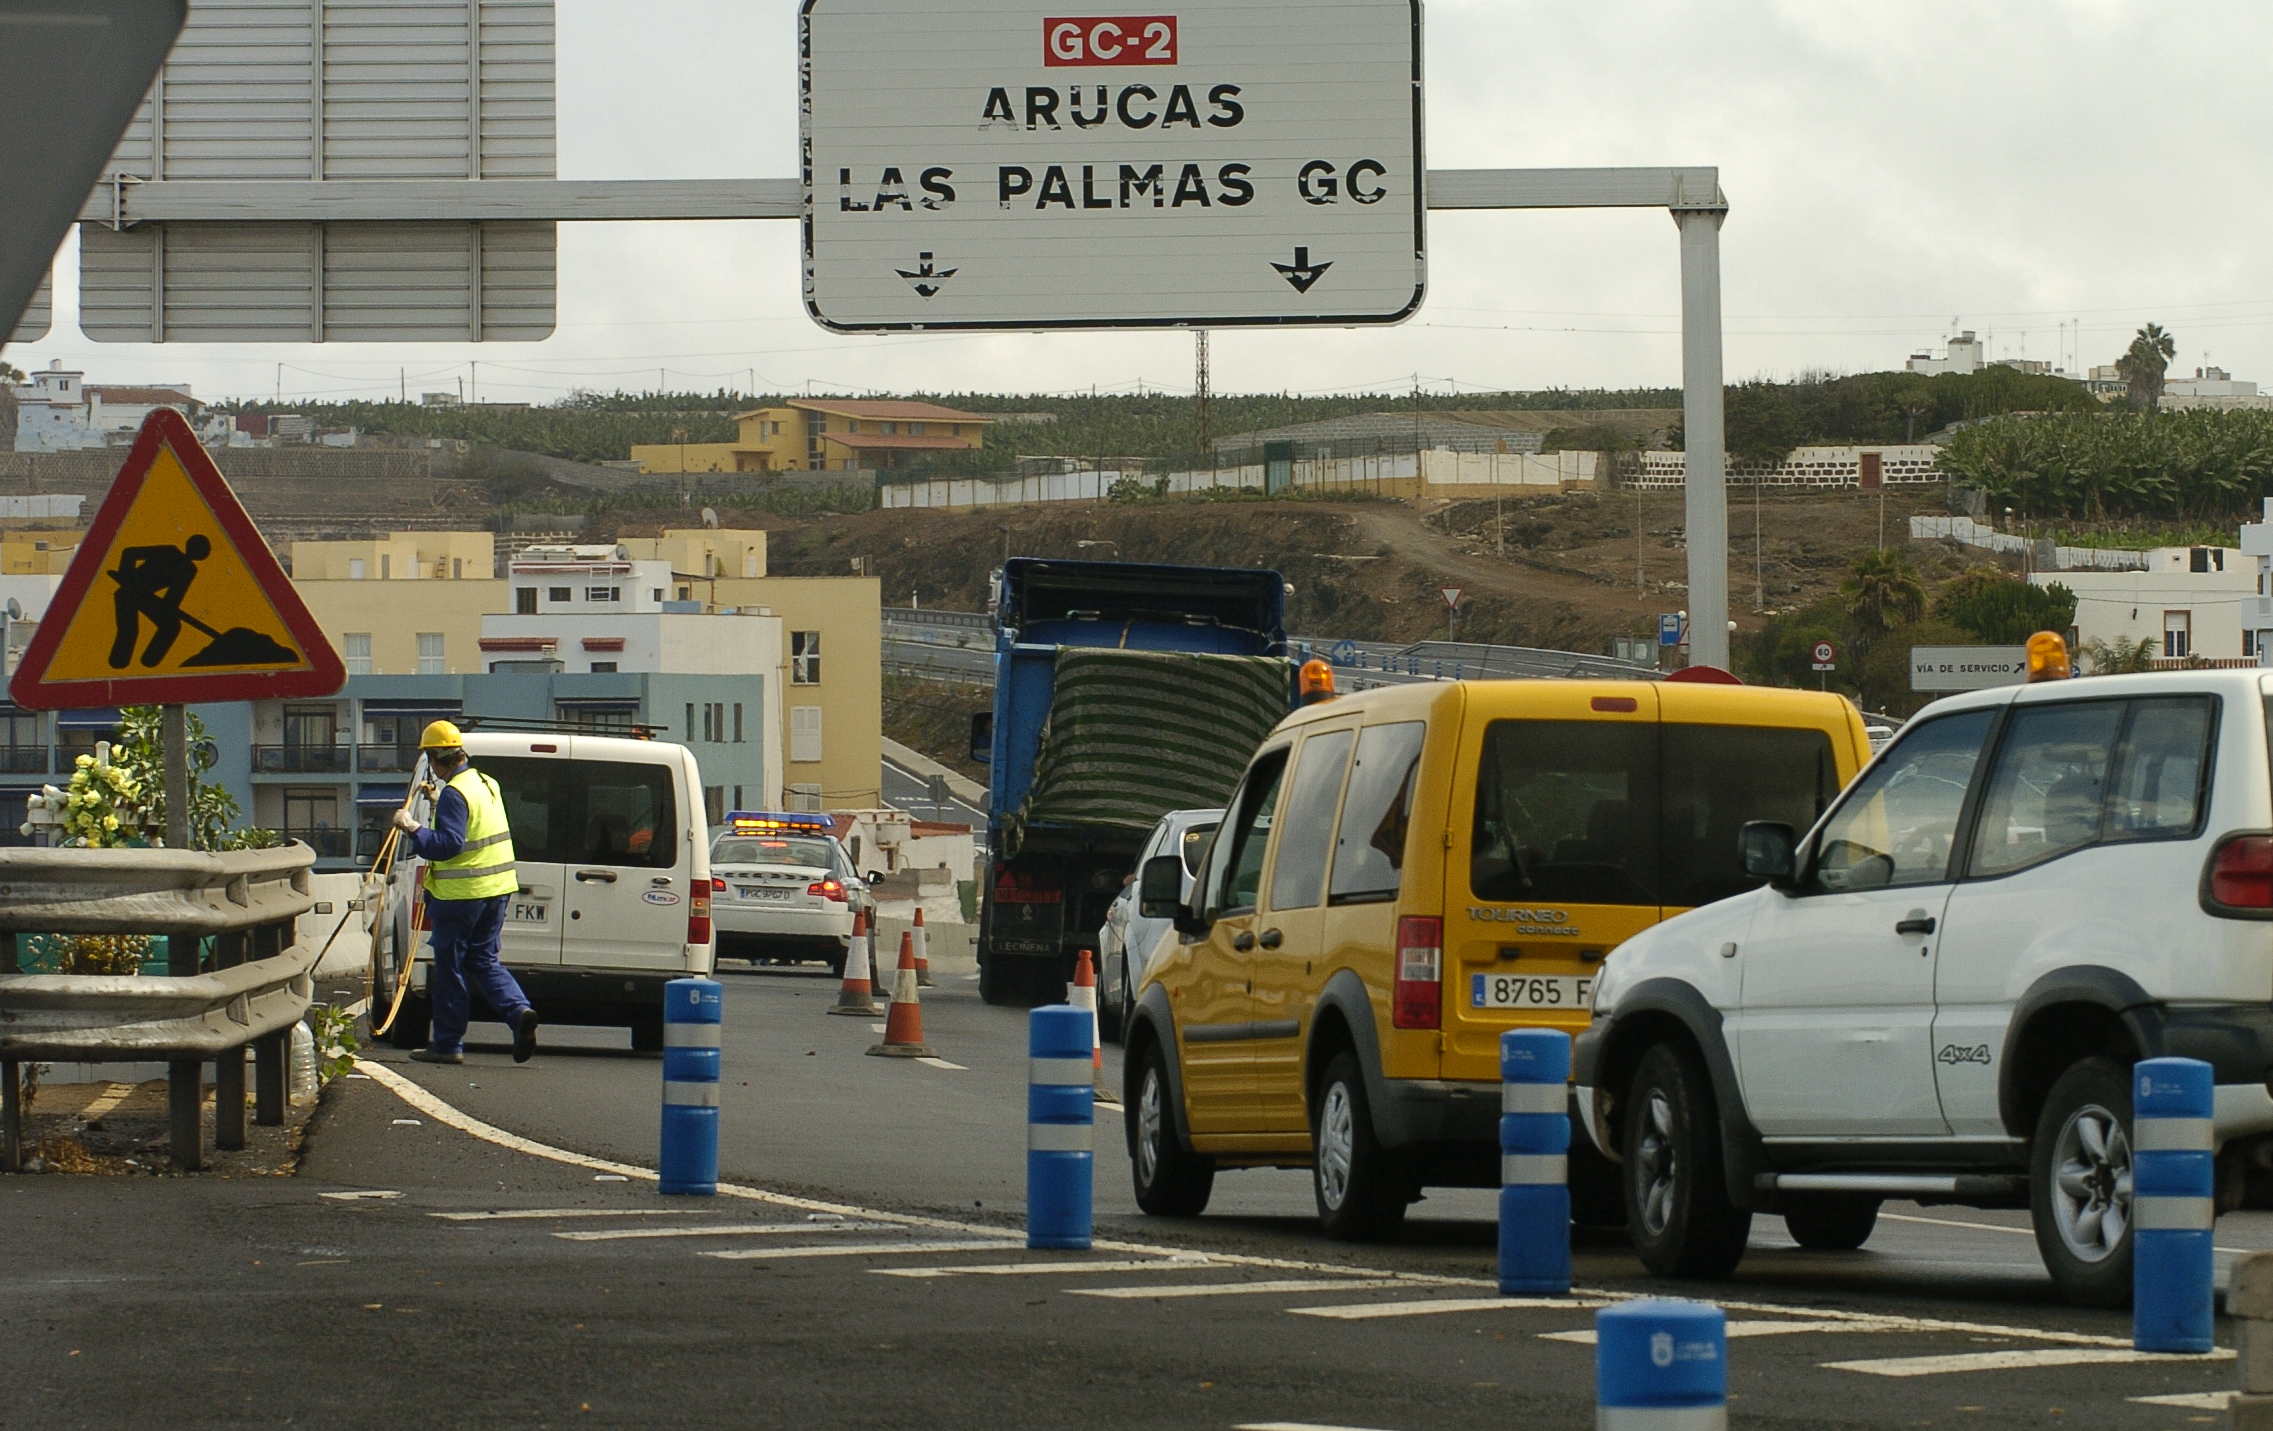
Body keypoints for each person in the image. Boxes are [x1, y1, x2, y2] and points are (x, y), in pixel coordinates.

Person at [394, 720, 539, 1065]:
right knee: (483, 959)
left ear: (434, 758)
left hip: (461, 896)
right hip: (497, 890)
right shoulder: (486, 783)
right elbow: (474, 824)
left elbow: (448, 845)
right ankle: (519, 1012)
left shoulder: (454, 795)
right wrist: (438, 799)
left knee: (450, 968)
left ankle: (447, 1045)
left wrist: (411, 827)